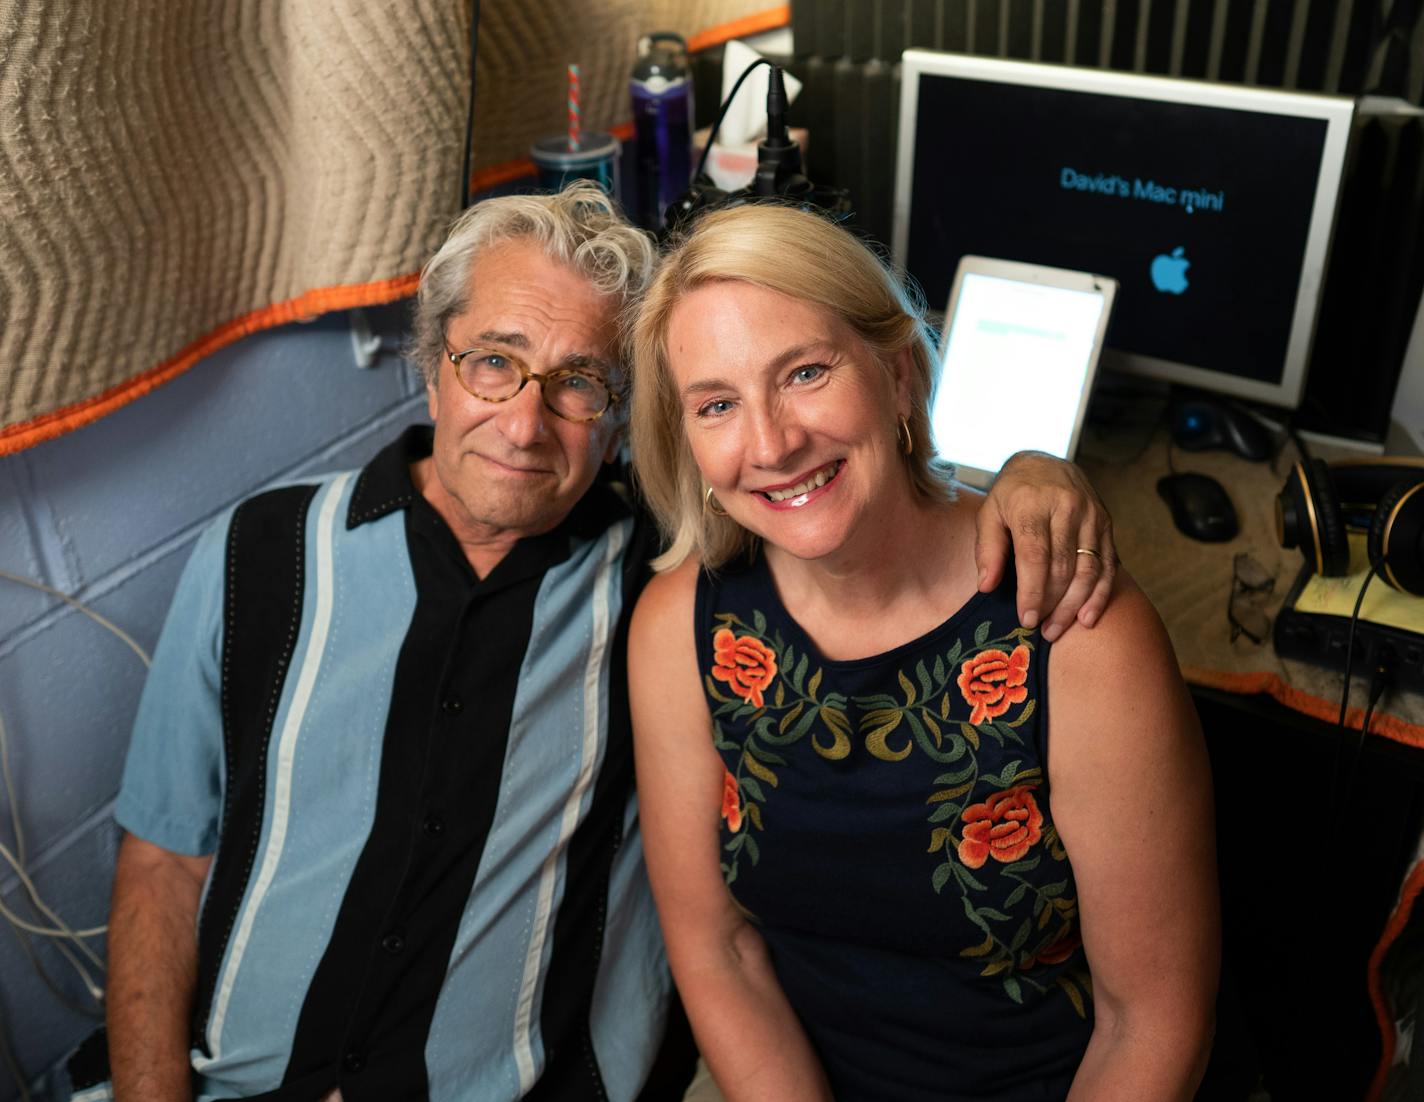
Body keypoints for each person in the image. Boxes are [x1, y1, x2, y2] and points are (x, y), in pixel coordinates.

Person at [73, 184, 1121, 1102]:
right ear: (429, 367)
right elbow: (162, 862)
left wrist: (1033, 473)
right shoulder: (258, 554)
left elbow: (825, 496)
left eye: (581, 383)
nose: (527, 425)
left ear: (627, 421)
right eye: (493, 363)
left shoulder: (666, 584)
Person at [626, 202, 1219, 1101]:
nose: (773, 443)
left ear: (898, 374)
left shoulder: (1070, 623)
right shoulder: (680, 629)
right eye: (717, 404)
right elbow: (720, 953)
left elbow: (1152, 1022)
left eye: (806, 373)